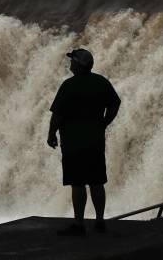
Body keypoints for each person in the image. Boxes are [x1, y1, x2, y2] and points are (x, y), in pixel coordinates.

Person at [47, 48, 121, 236]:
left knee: (78, 184)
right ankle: (100, 221)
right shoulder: (101, 82)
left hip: (73, 143)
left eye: (73, 61)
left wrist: (51, 134)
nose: (70, 63)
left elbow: (58, 115)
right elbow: (114, 104)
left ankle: (79, 224)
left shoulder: (69, 86)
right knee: (97, 182)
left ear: (79, 65)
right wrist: (104, 122)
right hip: (95, 142)